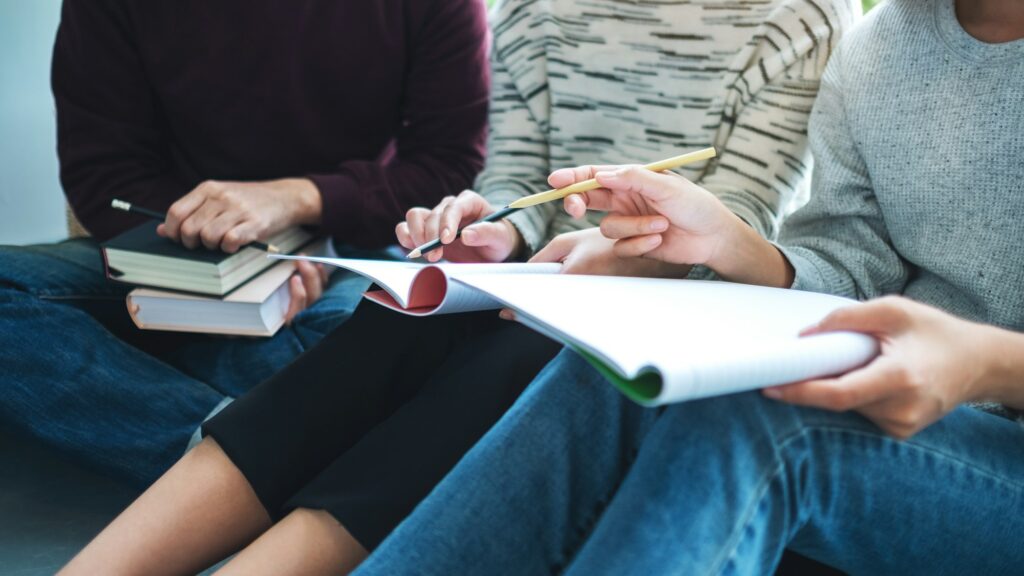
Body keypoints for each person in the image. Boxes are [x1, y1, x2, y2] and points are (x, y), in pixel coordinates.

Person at [59, 0, 857, 574]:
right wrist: (496, 230)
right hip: (550, 273)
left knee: (514, 353)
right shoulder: (538, 14)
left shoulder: (799, 19)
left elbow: (749, 215)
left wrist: (625, 251)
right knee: (403, 312)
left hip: (686, 290)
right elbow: (512, 178)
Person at [351, 1, 1024, 574]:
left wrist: (984, 364)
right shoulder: (879, 47)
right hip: (909, 393)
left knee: (766, 423)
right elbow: (853, 263)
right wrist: (730, 244)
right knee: (620, 368)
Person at [0, 0, 489, 486]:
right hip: (174, 253)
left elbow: (445, 166)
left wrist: (299, 202)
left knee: (375, 337)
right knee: (342, 379)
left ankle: (175, 404)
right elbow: (105, 172)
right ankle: (238, 453)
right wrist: (233, 253)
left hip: (349, 247)